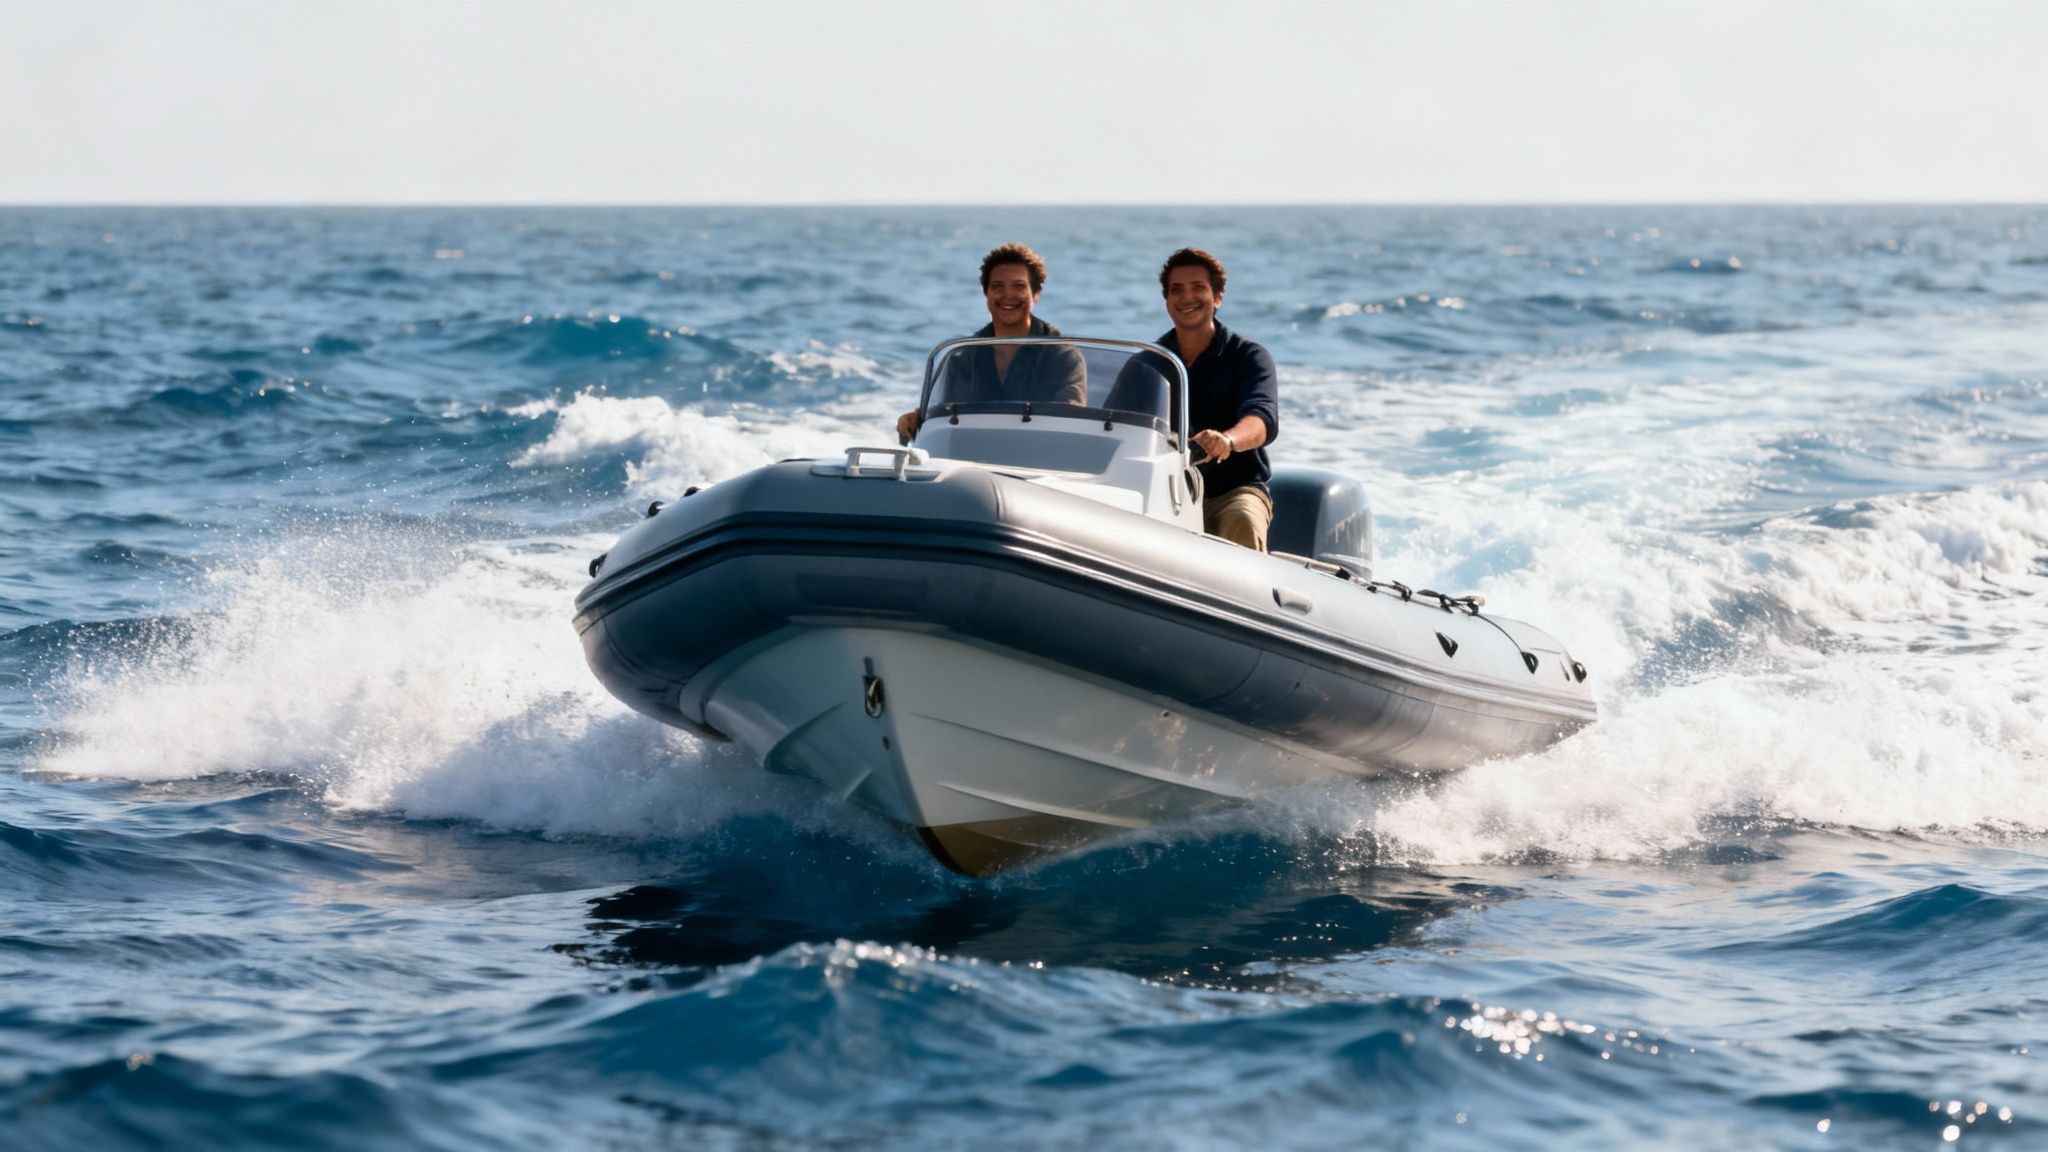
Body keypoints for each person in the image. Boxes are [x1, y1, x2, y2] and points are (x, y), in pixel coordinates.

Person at [897, 243, 1085, 443]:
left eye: (1019, 286)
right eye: (997, 287)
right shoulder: (963, 357)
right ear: (986, 293)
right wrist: (917, 418)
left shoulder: (1064, 357)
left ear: (1036, 294)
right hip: (973, 462)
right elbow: (946, 416)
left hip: (1040, 462)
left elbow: (1071, 420)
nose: (1008, 295)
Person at [1156, 248, 1278, 551]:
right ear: (1167, 301)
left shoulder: (1249, 356)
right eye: (1177, 290)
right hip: (1166, 490)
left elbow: (1262, 419)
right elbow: (1121, 419)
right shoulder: (1151, 361)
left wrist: (1228, 440)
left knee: (1242, 519)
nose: (1187, 298)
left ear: (1218, 297)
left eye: (1198, 288)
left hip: (1233, 491)